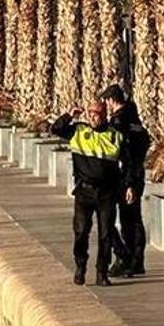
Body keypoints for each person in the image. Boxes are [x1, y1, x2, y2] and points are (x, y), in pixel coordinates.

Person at [51, 101, 134, 287]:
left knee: (105, 234)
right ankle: (80, 267)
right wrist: (69, 115)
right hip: (84, 192)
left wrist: (128, 185)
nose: (92, 117)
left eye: (96, 113)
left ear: (104, 115)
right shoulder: (78, 131)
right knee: (81, 232)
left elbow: (127, 163)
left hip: (107, 193)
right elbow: (55, 129)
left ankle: (102, 272)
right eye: (90, 113)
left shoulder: (115, 136)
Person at [100, 85, 151, 277]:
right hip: (135, 173)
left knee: (128, 220)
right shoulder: (134, 119)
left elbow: (127, 155)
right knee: (132, 218)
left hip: (127, 175)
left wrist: (129, 183)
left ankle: (129, 259)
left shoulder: (119, 121)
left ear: (112, 100)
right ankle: (135, 260)